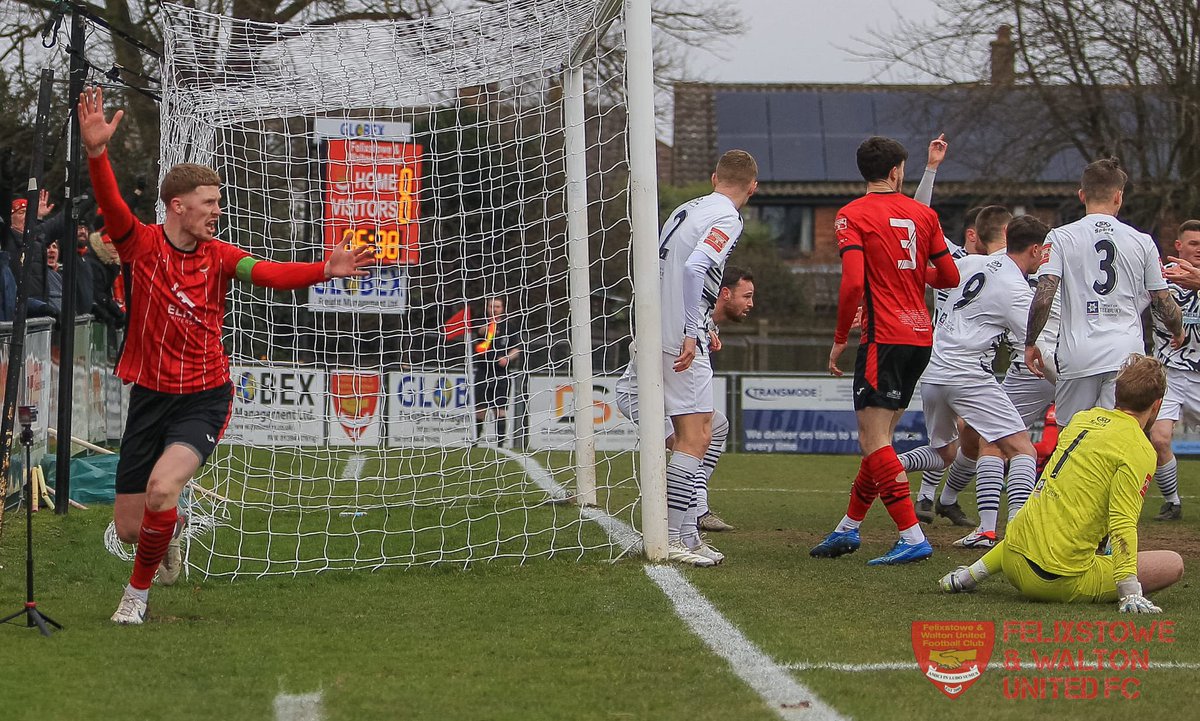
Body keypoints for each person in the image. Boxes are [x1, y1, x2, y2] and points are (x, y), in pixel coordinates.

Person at [78, 85, 374, 625]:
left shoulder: (220, 257)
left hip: (204, 397)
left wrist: (321, 271)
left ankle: (135, 597)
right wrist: (98, 154)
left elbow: (269, 273)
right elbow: (112, 205)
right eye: (209, 203)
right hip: (150, 397)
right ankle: (168, 531)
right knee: (128, 527)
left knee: (163, 490)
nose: (217, 211)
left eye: (218, 202)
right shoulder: (140, 245)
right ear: (178, 206)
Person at [811, 135, 959, 566]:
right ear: (896, 171)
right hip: (919, 336)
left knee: (873, 439)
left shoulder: (851, 215)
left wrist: (840, 337)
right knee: (881, 440)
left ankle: (912, 536)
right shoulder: (923, 214)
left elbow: (854, 282)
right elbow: (948, 276)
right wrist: (911, 272)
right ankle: (848, 528)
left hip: (884, 336)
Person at [939, 355, 1185, 612]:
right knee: (1172, 563)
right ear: (1157, 406)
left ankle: (969, 575)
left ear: (1116, 394)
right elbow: (1122, 521)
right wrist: (1129, 591)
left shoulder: (1082, 419)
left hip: (1012, 557)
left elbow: (1047, 501)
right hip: (1055, 580)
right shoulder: (1140, 449)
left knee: (1047, 505)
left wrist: (971, 573)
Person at [617, 150, 757, 566]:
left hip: (651, 326)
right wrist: (693, 329)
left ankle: (685, 534)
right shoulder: (727, 217)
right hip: (677, 336)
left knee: (701, 429)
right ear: (753, 186)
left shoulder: (686, 208)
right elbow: (697, 268)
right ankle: (677, 538)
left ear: (714, 177)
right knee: (695, 436)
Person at [918, 215, 1049, 550]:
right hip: (968, 374)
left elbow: (933, 278)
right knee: (1022, 448)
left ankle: (886, 464)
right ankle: (1017, 533)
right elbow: (1033, 344)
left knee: (945, 453)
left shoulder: (973, 261)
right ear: (1034, 250)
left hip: (933, 371)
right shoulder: (1018, 290)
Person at [1025, 158, 1183, 426]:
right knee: (1119, 437)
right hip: (1125, 356)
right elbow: (1162, 300)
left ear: (1082, 195)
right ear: (1119, 197)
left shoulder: (1060, 237)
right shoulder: (1142, 241)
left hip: (1077, 355)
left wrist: (1030, 342)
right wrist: (1178, 330)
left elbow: (1044, 296)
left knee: (1070, 437)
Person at [1146, 220, 1200, 521]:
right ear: (1178, 246)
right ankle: (1173, 502)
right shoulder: (1160, 281)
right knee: (1160, 438)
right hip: (1170, 374)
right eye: (1193, 243)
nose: (1199, 249)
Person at [472, 296, 521, 446]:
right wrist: (489, 329)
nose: (494, 309)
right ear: (487, 308)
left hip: (501, 373)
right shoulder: (483, 324)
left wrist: (507, 357)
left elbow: (516, 348)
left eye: (497, 307)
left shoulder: (510, 327)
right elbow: (479, 335)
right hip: (483, 371)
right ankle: (476, 441)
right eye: (491, 306)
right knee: (480, 409)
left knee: (500, 409)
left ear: (503, 309)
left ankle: (501, 443)